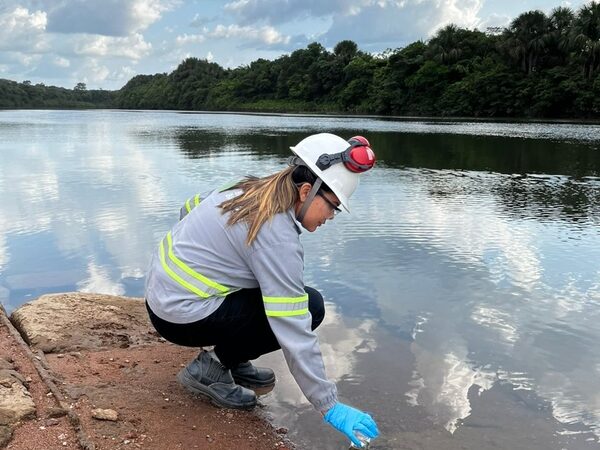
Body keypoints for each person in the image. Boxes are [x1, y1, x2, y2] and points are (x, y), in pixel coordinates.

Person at [144, 133, 379, 447]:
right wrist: (329, 405)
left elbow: (189, 209)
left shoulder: (249, 187)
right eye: (333, 206)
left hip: (162, 296)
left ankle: (230, 357)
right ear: (308, 191)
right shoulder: (276, 236)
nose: (332, 217)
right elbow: (293, 325)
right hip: (179, 316)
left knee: (270, 285)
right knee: (310, 307)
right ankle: (210, 369)